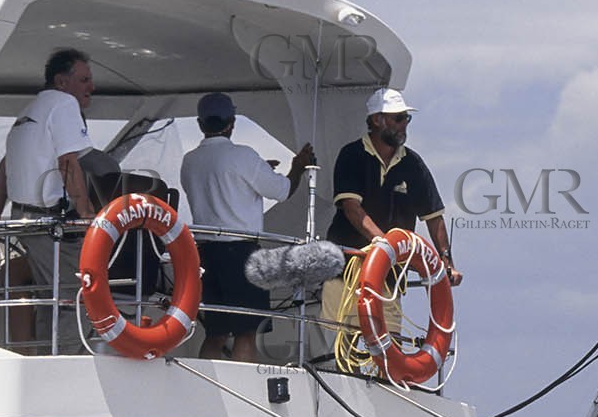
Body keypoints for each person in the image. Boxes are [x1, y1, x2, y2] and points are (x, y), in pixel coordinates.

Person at [321, 87, 461, 365]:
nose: (404, 125)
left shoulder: (413, 164)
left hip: (388, 274)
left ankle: (386, 385)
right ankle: (341, 381)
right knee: (343, 337)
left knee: (390, 340)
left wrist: (446, 260)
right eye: (398, 118)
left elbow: (433, 216)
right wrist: (385, 245)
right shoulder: (352, 155)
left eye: (406, 119)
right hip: (346, 265)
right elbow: (352, 208)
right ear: (377, 120)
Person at [180, 92, 315, 363]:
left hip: (205, 253)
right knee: (246, 332)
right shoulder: (243, 156)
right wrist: (297, 167)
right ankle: (244, 394)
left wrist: (257, 170)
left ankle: (207, 385)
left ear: (200, 123)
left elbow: (221, 182)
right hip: (241, 252)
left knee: (216, 333)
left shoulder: (190, 161)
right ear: (231, 122)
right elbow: (283, 190)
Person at [0, 48, 96, 355]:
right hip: (47, 223)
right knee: (76, 294)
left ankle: (49, 358)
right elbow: (69, 163)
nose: (91, 87)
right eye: (84, 80)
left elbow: (5, 168)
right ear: (62, 82)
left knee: (51, 297)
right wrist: (87, 215)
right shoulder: (63, 104)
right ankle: (67, 361)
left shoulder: (29, 109)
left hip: (23, 219)